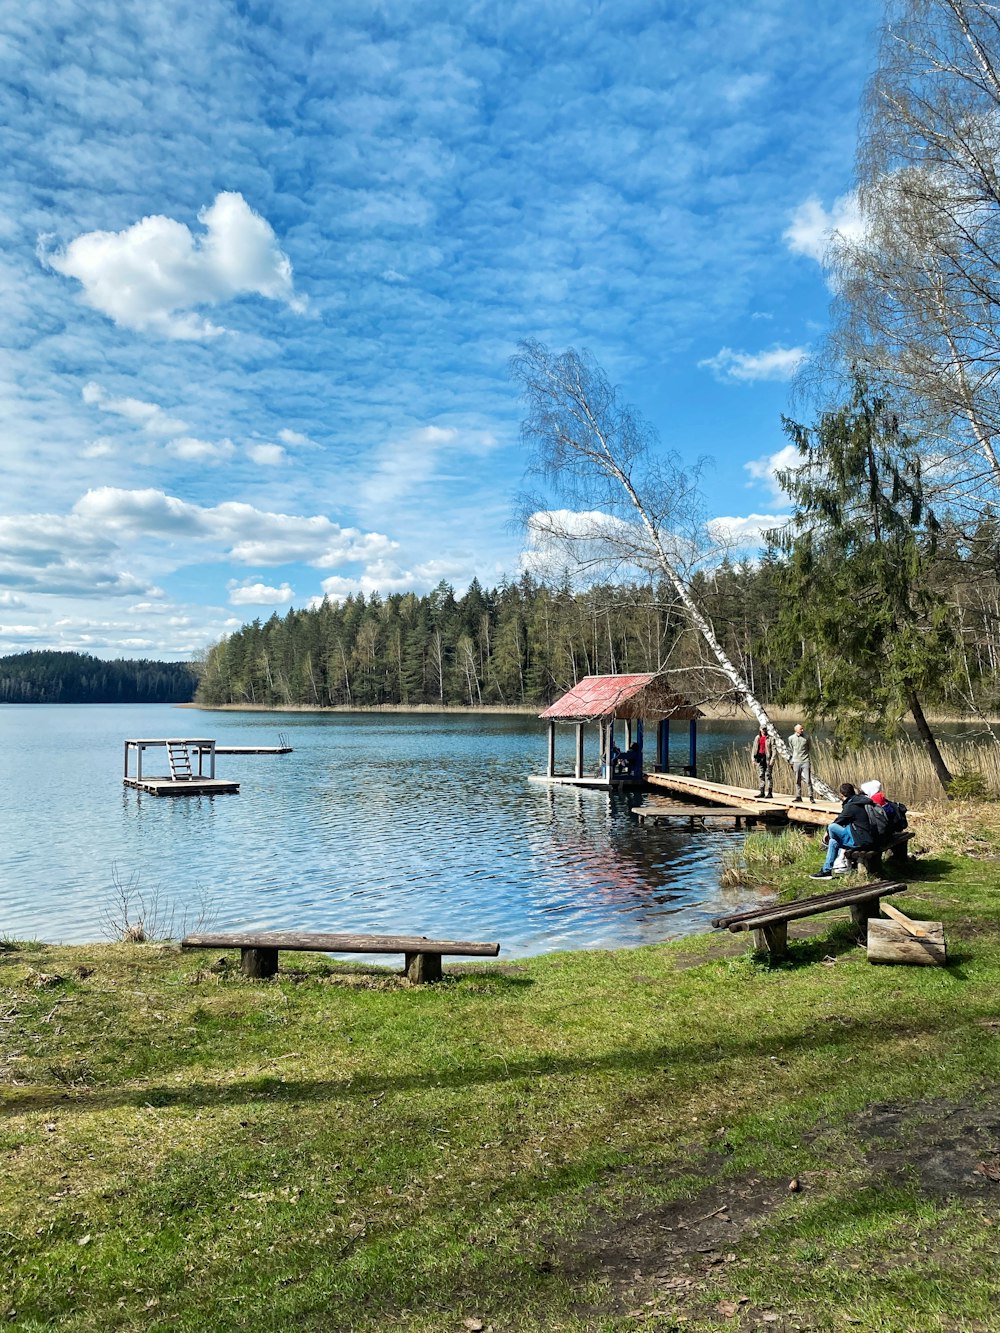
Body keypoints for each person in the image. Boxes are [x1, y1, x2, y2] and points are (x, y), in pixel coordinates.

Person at [810, 782, 876, 879]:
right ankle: (826, 870)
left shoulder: (851, 806)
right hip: (865, 836)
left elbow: (839, 821)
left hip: (861, 840)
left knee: (831, 827)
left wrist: (826, 833)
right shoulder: (859, 801)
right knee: (833, 841)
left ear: (841, 795)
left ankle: (839, 858)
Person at [788, 723, 814, 803]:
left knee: (808, 779)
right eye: (801, 729)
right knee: (797, 780)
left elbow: (809, 748)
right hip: (796, 761)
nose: (802, 730)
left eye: (802, 729)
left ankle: (811, 796)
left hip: (805, 761)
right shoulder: (791, 738)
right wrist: (793, 758)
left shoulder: (806, 737)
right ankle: (798, 796)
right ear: (796, 730)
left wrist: (806, 757)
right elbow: (791, 748)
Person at [750, 724, 775, 797]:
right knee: (761, 775)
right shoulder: (757, 738)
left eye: (765, 729)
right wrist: (753, 759)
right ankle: (762, 792)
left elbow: (774, 750)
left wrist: (772, 760)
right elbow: (754, 749)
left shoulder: (770, 738)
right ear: (760, 729)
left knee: (768, 775)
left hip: (767, 758)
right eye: (762, 729)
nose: (764, 730)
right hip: (760, 758)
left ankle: (770, 793)